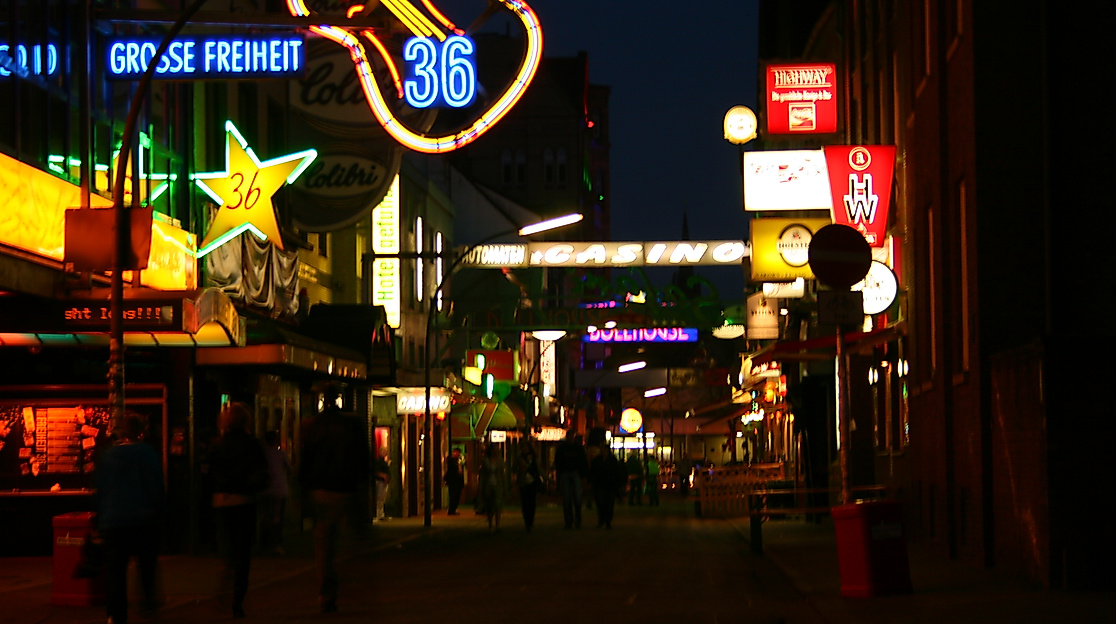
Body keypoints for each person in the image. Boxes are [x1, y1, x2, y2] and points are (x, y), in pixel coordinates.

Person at [300, 386, 370, 614]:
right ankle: (351, 587)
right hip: (347, 490)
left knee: (324, 546)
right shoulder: (353, 425)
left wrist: (304, 493)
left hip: (321, 491)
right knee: (351, 541)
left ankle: (327, 592)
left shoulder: (311, 426)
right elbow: (363, 460)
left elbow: (305, 462)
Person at [95, 412, 164, 624]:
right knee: (146, 565)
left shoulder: (108, 456)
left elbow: (100, 489)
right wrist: (160, 512)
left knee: (116, 571)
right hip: (143, 520)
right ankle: (148, 606)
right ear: (141, 431)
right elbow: (156, 488)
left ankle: (116, 615)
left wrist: (100, 518)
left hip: (114, 520)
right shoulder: (147, 454)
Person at [209, 402, 269, 619]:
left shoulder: (217, 445)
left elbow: (210, 475)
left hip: (222, 501)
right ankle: (237, 600)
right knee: (243, 553)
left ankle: (222, 591)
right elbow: (262, 474)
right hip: (244, 500)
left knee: (226, 550)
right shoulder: (252, 444)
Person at [259, 430, 291, 555]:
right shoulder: (281, 455)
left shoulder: (263, 454)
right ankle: (276, 543)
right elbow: (289, 469)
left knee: (266, 516)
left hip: (265, 490)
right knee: (277, 518)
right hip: (280, 490)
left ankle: (265, 543)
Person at [554, 429, 587, 529]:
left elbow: (558, 461)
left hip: (569, 472)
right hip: (571, 472)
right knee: (572, 498)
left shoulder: (564, 448)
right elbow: (583, 461)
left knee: (571, 499)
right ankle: (574, 521)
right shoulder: (576, 447)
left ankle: (572, 521)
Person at [588, 443, 620, 529]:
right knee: (601, 504)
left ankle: (607, 522)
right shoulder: (598, 460)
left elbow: (616, 472)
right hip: (601, 485)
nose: (602, 451)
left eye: (603, 449)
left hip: (609, 485)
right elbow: (592, 471)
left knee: (609, 505)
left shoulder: (611, 460)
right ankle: (603, 520)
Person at [514, 443, 541, 531]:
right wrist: (519, 468)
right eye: (523, 447)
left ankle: (530, 521)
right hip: (523, 482)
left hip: (532, 482)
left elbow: (539, 469)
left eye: (526, 447)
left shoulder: (534, 458)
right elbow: (514, 468)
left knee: (532, 503)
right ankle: (527, 522)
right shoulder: (520, 458)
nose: (525, 449)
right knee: (525, 503)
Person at [479, 443, 505, 533]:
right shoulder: (486, 461)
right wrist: (481, 486)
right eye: (494, 449)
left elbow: (502, 473)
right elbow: (482, 475)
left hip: (498, 484)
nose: (495, 451)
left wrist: (504, 485)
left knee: (498, 505)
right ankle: (490, 525)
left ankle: (498, 525)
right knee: (490, 506)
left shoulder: (500, 461)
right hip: (488, 485)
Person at [444, 448, 465, 515]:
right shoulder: (452, 460)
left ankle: (454, 509)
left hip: (457, 481)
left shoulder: (458, 461)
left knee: (456, 496)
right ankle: (452, 509)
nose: (457, 454)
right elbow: (451, 469)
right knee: (453, 495)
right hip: (453, 481)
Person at [372, 447, 390, 520]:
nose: (385, 453)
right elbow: (376, 471)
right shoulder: (379, 461)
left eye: (386, 451)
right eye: (383, 451)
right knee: (380, 498)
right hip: (380, 482)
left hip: (383, 482)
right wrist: (384, 476)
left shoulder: (383, 461)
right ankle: (379, 514)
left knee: (382, 498)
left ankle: (381, 514)